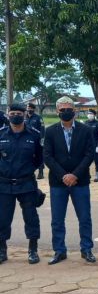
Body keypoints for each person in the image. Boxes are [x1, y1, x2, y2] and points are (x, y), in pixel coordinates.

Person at [44, 96, 96, 265]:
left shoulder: (86, 130)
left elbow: (89, 154)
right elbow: (47, 156)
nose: (65, 112)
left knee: (85, 218)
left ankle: (86, 249)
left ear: (74, 110)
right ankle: (59, 251)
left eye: (68, 109)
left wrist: (75, 175)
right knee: (57, 220)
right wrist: (64, 175)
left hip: (80, 181)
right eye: (62, 110)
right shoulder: (50, 131)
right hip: (58, 182)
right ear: (57, 111)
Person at [0, 103, 43, 265]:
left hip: (26, 183)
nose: (15, 116)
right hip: (4, 184)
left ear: (24, 115)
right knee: (3, 218)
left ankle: (33, 250)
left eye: (19, 113)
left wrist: (28, 170)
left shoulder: (34, 135)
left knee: (31, 218)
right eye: (12, 113)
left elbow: (39, 158)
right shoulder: (1, 134)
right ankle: (2, 250)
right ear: (7, 114)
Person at [26, 102, 45, 179]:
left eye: (30, 108)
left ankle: (41, 172)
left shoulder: (38, 118)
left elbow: (42, 129)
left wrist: (42, 139)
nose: (29, 109)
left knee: (39, 155)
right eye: (28, 108)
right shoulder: (24, 118)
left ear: (33, 109)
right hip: (27, 140)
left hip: (37, 140)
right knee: (28, 155)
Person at [85, 109, 98, 182]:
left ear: (94, 115)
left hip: (95, 145)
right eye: (88, 114)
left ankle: (97, 175)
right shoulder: (85, 123)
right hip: (87, 146)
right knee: (86, 161)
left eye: (91, 114)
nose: (90, 115)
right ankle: (87, 175)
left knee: (97, 161)